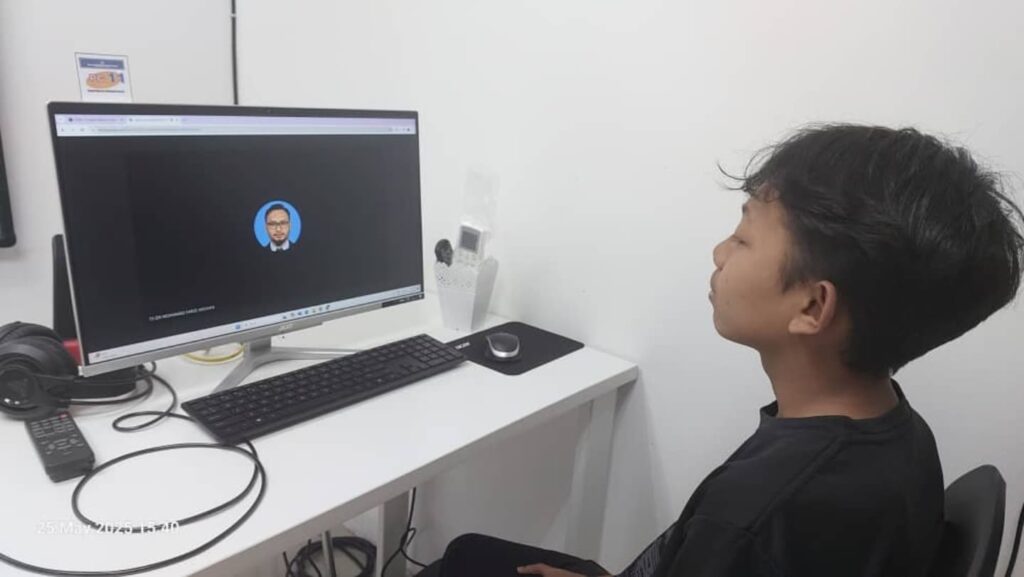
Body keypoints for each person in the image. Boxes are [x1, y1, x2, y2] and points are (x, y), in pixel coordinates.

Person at [416, 125, 1024, 577]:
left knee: (461, 563)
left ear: (813, 306)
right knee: (470, 556)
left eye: (743, 238)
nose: (718, 253)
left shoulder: (754, 517)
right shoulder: (898, 434)